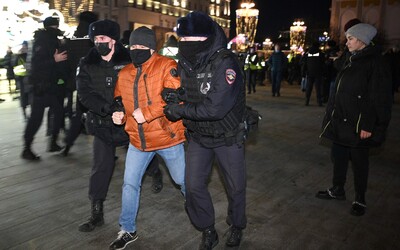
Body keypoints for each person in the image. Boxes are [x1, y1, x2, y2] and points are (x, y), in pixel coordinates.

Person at [163, 11, 247, 249]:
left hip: (227, 137)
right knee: (193, 186)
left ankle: (237, 225)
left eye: (190, 40)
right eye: (183, 40)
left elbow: (215, 109)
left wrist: (180, 110)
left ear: (206, 39)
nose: (184, 45)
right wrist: (177, 96)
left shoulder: (225, 63)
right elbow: (194, 90)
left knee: (236, 187)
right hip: (199, 136)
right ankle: (207, 229)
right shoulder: (187, 61)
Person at [108, 26, 186, 250]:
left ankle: (198, 208)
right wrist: (120, 115)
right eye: (133, 47)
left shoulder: (167, 66)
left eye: (141, 47)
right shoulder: (125, 73)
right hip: (137, 141)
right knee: (130, 184)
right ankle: (128, 229)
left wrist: (149, 113)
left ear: (152, 48)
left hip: (166, 137)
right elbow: (120, 101)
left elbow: (176, 100)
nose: (136, 50)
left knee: (182, 181)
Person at [317, 23, 392, 216]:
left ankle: (360, 198)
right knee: (339, 157)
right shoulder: (351, 58)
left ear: (362, 40)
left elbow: (379, 97)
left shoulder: (375, 62)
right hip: (341, 118)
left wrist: (369, 124)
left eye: (350, 38)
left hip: (359, 123)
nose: (347, 42)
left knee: (359, 162)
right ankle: (337, 189)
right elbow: (337, 68)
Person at [76, 19, 132, 232]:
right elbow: (84, 94)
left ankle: (155, 172)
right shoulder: (87, 62)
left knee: (146, 157)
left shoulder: (129, 60)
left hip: (127, 122)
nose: (98, 42)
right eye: (96, 39)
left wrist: (124, 108)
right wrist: (108, 109)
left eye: (103, 38)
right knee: (101, 167)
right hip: (101, 124)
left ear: (113, 40)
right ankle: (96, 212)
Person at [21, 16, 68, 160]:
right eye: (55, 26)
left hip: (51, 85)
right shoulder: (42, 40)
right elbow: (37, 65)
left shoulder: (53, 39)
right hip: (40, 86)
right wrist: (54, 60)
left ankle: (53, 142)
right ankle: (27, 149)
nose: (56, 28)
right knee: (36, 118)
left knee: (59, 112)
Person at [301, 41, 325, 106]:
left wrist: (303, 73)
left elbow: (304, 64)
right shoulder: (321, 53)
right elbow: (323, 64)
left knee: (308, 87)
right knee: (318, 88)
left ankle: (307, 101)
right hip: (318, 73)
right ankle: (319, 102)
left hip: (309, 72)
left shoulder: (307, 53)